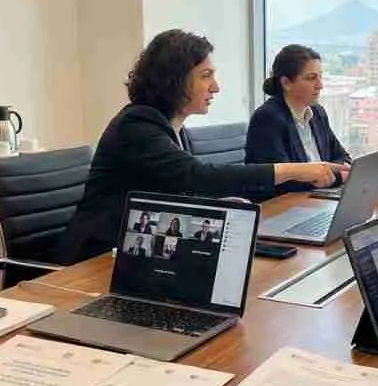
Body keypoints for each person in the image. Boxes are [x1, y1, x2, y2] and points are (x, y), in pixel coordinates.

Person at [58, 30, 349, 264]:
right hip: (96, 260)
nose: (216, 87)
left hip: (143, 249)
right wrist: (292, 170)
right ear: (174, 79)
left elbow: (182, 191)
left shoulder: (172, 127)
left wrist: (222, 204)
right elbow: (196, 176)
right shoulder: (137, 125)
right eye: (206, 76)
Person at [246, 44, 350, 194]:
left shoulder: (317, 113)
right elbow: (285, 182)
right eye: (311, 78)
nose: (320, 85)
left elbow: (343, 159)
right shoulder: (267, 119)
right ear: (286, 83)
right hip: (282, 207)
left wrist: (332, 176)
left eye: (320, 77)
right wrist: (338, 178)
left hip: (316, 199)